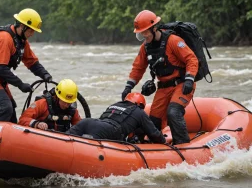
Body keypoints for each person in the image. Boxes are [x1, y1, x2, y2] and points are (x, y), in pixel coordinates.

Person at [121, 10, 198, 145]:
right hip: (163, 87)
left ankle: (183, 145)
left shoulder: (173, 41)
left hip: (181, 84)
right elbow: (138, 68)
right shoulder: (145, 47)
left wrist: (190, 79)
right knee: (154, 120)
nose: (144, 36)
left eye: (146, 32)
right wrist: (129, 86)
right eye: (141, 33)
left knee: (173, 113)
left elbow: (191, 59)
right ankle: (154, 148)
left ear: (154, 28)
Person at [0, 8, 52, 124]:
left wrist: (45, 75)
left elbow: (32, 62)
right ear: (22, 26)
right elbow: (0, 68)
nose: (32, 34)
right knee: (5, 108)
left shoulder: (21, 41)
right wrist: (20, 85)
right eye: (31, 30)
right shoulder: (4, 39)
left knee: (11, 112)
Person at [67, 92, 166, 144]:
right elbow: (154, 133)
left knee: (65, 137)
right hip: (111, 130)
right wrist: (164, 142)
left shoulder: (115, 105)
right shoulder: (139, 111)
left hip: (89, 122)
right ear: (140, 104)